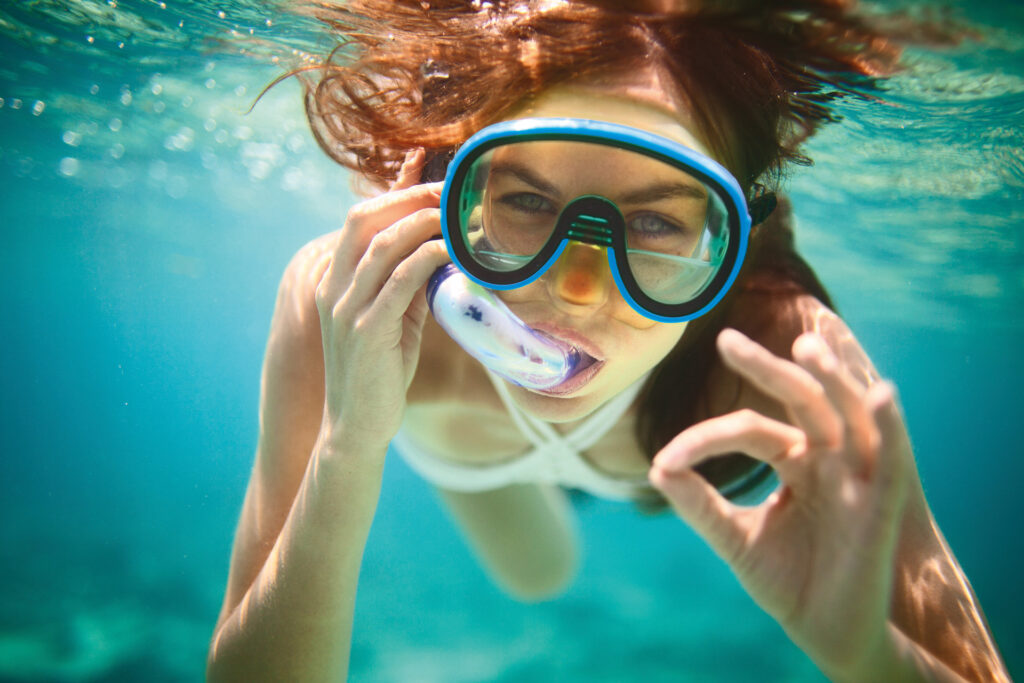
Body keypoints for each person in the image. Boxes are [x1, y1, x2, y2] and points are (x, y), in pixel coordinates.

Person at [207, 1, 1010, 680]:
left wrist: (873, 657)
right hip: (473, 459)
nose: (578, 288)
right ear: (455, 189)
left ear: (731, 238)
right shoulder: (353, 299)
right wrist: (348, 447)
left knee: (541, 572)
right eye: (525, 198)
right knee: (537, 574)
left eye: (657, 221)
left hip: (634, 456)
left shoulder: (781, 350)